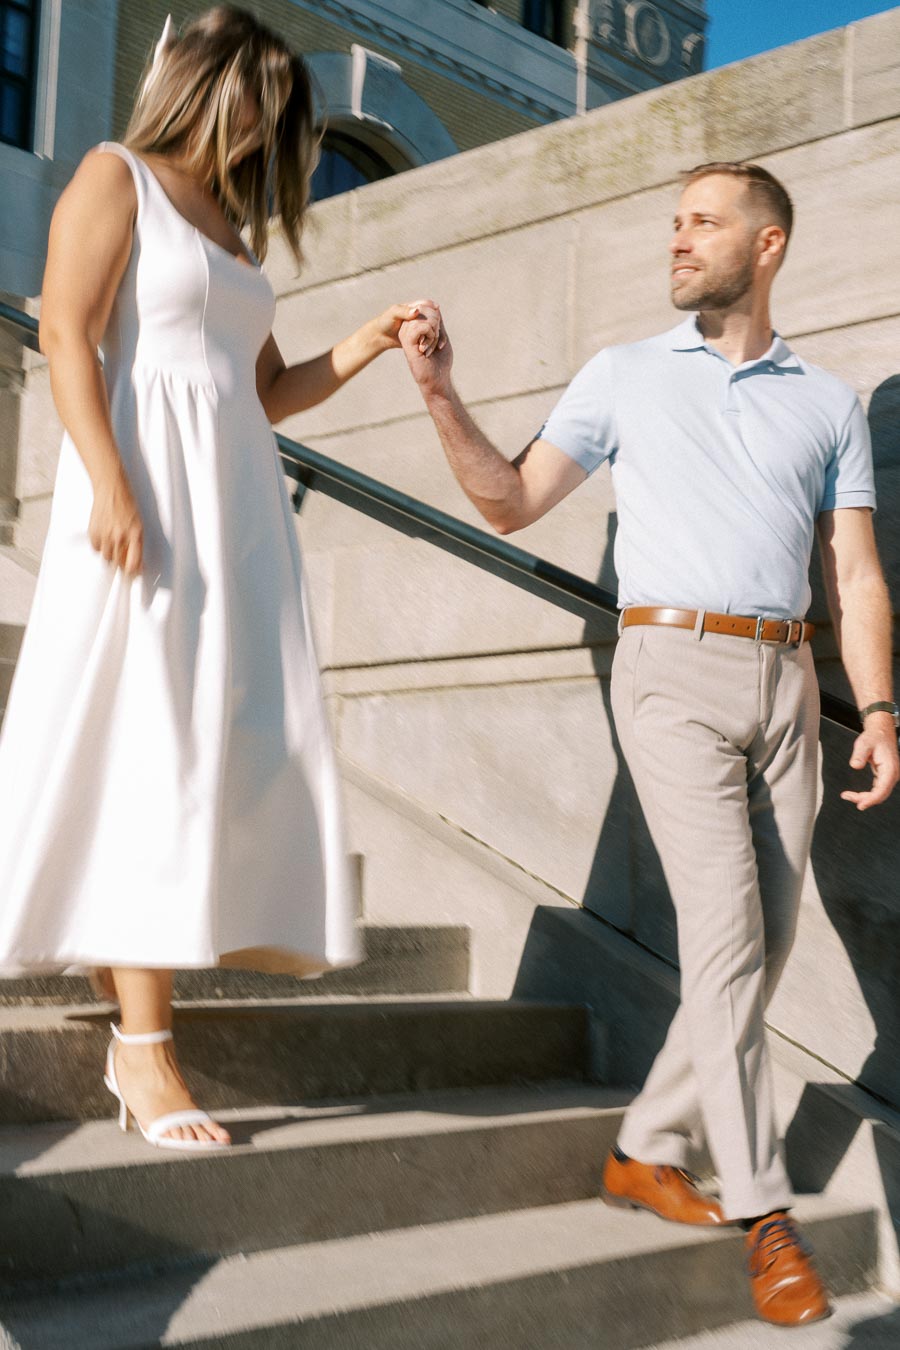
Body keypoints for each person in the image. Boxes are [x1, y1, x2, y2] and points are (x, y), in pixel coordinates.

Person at [398, 161, 899, 1326]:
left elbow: (857, 573)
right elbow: (513, 500)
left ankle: (646, 1144)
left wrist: (876, 709)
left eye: (704, 224)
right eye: (673, 223)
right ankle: (764, 1220)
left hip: (788, 680)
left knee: (764, 947)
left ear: (767, 245)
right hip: (669, 672)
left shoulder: (825, 404)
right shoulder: (623, 375)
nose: (679, 241)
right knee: (726, 935)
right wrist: (439, 394)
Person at [0, 7, 440, 1151]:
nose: (274, 121)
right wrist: (105, 482)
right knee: (149, 749)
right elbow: (64, 332)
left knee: (210, 748)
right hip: (144, 494)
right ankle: (144, 1051)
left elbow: (267, 391)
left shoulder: (236, 233)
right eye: (266, 95)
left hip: (233, 510)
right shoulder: (117, 177)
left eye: (286, 108)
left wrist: (371, 338)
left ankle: (139, 1014)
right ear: (208, 82)